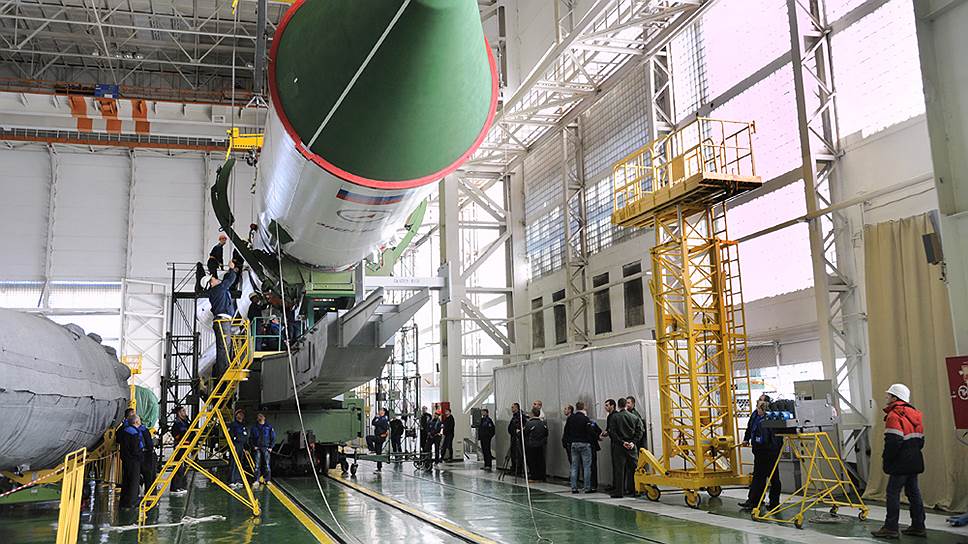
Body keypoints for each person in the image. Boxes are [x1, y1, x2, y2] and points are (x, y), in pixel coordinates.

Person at [871, 384, 926, 540]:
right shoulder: (915, 414)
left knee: (893, 493)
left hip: (900, 462)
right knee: (914, 493)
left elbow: (893, 442)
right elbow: (921, 441)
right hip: (915, 460)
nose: (886, 397)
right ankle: (918, 526)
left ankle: (890, 528)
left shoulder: (894, 416)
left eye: (889, 395)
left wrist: (887, 459)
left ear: (896, 398)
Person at [739, 399, 781, 510]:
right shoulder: (755, 416)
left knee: (773, 477)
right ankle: (753, 501)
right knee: (758, 477)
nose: (758, 408)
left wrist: (773, 449)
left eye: (760, 406)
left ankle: (774, 503)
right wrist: (746, 439)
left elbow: (774, 437)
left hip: (770, 452)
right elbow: (750, 428)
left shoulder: (772, 418)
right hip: (759, 452)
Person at [204, 259, 238, 381]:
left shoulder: (217, 291)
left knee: (224, 346)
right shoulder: (218, 290)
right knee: (224, 347)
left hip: (222, 321)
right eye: (212, 279)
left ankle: (224, 370)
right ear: (211, 284)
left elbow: (227, 282)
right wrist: (231, 269)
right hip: (223, 321)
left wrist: (231, 271)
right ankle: (224, 372)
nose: (215, 278)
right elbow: (229, 280)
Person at [605, 398, 642, 498]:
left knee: (619, 470)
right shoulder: (634, 417)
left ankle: (619, 492)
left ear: (618, 405)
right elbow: (640, 431)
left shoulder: (614, 417)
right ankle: (635, 490)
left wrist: (622, 442)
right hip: (631, 447)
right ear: (626, 405)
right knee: (634, 469)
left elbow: (612, 433)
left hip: (619, 447)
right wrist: (633, 442)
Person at [563, 401, 595, 494]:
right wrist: (596, 438)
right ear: (583, 407)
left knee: (574, 466)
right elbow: (590, 431)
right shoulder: (585, 419)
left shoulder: (571, 418)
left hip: (574, 444)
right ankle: (587, 487)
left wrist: (567, 442)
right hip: (584, 444)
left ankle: (574, 487)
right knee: (586, 466)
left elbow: (566, 431)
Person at [118, 415, 144, 508]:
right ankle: (132, 501)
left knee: (126, 480)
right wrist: (141, 457)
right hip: (133, 460)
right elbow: (135, 448)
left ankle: (124, 501)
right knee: (134, 481)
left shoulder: (125, 430)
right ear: (136, 422)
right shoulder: (134, 433)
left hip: (126, 459)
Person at [523, 407, 549, 482]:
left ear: (532, 414)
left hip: (531, 445)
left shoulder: (529, 423)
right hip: (540, 445)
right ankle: (542, 476)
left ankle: (534, 477)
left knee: (532, 461)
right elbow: (546, 433)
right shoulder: (543, 423)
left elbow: (525, 433)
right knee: (540, 460)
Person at [249, 413, 275, 487]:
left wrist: (271, 447)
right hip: (257, 448)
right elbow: (251, 438)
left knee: (267, 465)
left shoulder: (269, 427)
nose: (260, 417)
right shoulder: (254, 427)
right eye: (259, 416)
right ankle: (256, 480)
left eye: (261, 416)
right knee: (257, 465)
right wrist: (253, 446)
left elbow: (273, 437)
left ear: (264, 417)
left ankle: (267, 480)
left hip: (266, 448)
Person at [169, 405, 190, 494]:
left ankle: (181, 485)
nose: (185, 413)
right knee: (178, 466)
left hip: (186, 446)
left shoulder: (186, 422)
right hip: (179, 446)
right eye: (183, 411)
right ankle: (175, 487)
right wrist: (182, 435)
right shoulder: (177, 423)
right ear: (179, 413)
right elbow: (176, 434)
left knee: (183, 467)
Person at [227, 409, 249, 489]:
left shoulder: (243, 426)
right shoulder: (233, 425)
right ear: (236, 415)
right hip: (235, 445)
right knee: (233, 463)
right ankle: (231, 481)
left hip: (241, 446)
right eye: (239, 414)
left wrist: (246, 448)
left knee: (239, 463)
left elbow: (245, 437)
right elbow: (230, 435)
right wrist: (232, 445)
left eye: (242, 414)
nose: (241, 415)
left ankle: (238, 480)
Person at [137, 419, 157, 499]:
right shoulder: (143, 430)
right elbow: (149, 443)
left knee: (137, 475)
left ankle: (138, 493)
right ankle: (150, 495)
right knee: (150, 477)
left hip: (136, 456)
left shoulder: (128, 429)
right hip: (147, 455)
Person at [508, 403, 525, 476]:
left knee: (517, 454)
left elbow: (522, 427)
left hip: (518, 438)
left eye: (513, 407)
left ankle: (518, 470)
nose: (512, 409)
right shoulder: (514, 416)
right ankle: (514, 468)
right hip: (513, 437)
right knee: (513, 454)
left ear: (516, 407)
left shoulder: (520, 416)